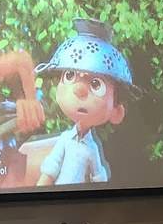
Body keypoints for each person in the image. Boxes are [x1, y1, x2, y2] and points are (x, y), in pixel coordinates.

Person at [35, 19, 134, 186]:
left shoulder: (92, 149)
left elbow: (98, 180)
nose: (79, 89)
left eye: (96, 84)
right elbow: (49, 172)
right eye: (69, 76)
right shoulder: (65, 140)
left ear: (116, 112)